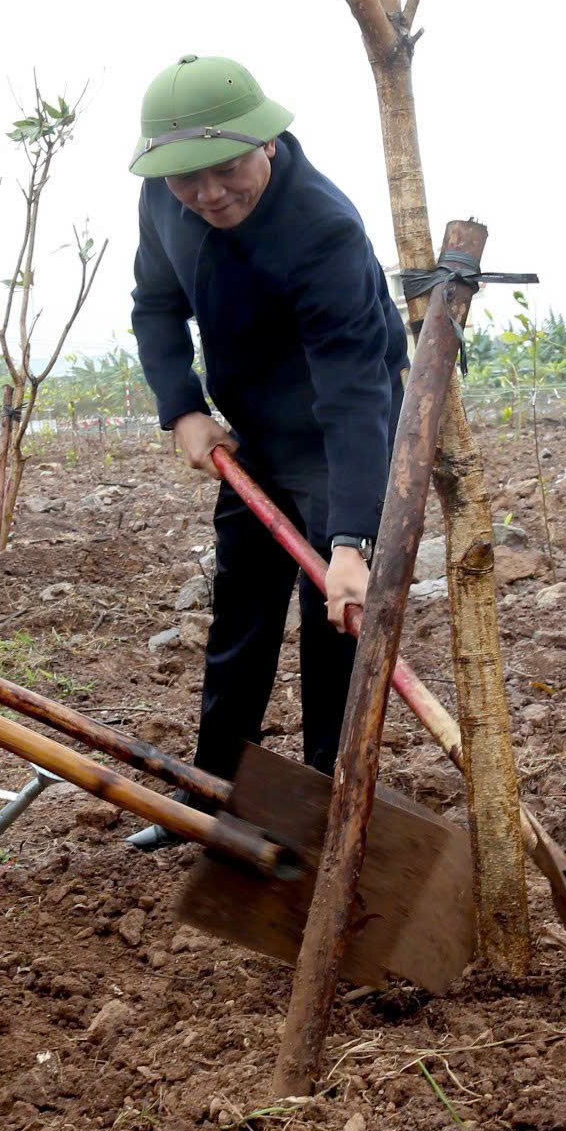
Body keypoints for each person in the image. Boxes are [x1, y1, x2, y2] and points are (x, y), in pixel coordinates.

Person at [125, 54, 408, 849]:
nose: (210, 194)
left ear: (269, 143)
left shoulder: (323, 228)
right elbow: (154, 306)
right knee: (240, 617)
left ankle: (323, 806)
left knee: (336, 629)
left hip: (335, 439)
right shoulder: (163, 194)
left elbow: (356, 391)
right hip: (249, 434)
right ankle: (214, 797)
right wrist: (182, 408)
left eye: (227, 170)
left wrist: (352, 539)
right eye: (188, 180)